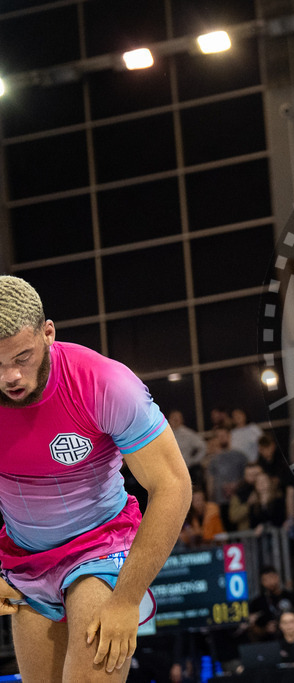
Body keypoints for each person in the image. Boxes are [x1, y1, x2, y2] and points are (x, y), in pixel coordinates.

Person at [0, 275, 192, 680]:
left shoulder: (104, 382)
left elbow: (173, 485)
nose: (10, 377)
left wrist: (126, 599)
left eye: (22, 358)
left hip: (99, 545)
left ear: (48, 333)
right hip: (25, 557)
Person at [247, 567, 294, 641]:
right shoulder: (258, 602)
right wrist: (265, 630)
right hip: (270, 642)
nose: (270, 582)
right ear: (261, 582)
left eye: (271, 578)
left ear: (277, 577)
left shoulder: (291, 596)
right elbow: (253, 627)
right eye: (265, 580)